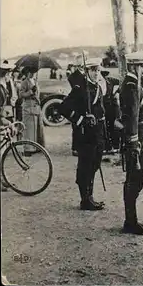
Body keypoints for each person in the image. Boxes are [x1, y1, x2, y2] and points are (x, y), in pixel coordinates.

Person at [59, 58, 106, 210]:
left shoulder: (97, 87)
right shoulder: (80, 89)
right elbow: (63, 108)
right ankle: (85, 200)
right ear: (87, 72)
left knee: (95, 164)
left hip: (97, 133)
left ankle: (90, 196)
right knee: (85, 167)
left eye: (98, 70)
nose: (96, 73)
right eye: (93, 70)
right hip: (85, 135)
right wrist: (81, 119)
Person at [119, 66, 143, 235]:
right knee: (135, 181)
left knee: (134, 181)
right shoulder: (131, 86)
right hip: (140, 140)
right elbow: (133, 116)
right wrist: (134, 142)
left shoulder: (131, 84)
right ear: (136, 67)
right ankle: (130, 222)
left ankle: (131, 219)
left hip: (142, 138)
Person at [19, 67, 45, 154]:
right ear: (27, 73)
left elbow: (37, 93)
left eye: (33, 72)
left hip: (36, 107)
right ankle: (28, 149)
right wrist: (30, 92)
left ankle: (36, 147)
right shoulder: (24, 82)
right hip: (28, 107)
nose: (32, 74)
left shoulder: (35, 81)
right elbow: (21, 94)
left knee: (37, 128)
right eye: (30, 72)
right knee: (29, 129)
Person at [100, 67, 122, 154]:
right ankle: (106, 147)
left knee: (113, 126)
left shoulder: (111, 80)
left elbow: (122, 82)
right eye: (101, 74)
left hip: (111, 107)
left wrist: (116, 92)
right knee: (104, 127)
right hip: (102, 107)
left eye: (104, 74)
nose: (103, 76)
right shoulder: (96, 83)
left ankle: (115, 145)